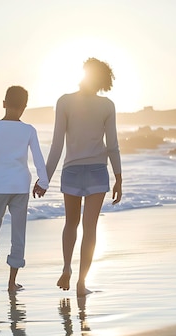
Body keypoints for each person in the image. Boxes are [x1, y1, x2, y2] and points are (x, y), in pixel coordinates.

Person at [35, 57, 122, 297]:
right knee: (90, 228)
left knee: (70, 224)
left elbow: (56, 145)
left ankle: (66, 268)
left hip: (71, 171)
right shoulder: (107, 105)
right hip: (97, 171)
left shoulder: (64, 101)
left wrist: (45, 179)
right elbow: (112, 145)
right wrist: (118, 177)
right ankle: (82, 283)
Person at [0, 86, 49, 292]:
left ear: (4, 103)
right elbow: (38, 158)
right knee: (18, 234)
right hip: (20, 186)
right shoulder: (29, 130)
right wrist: (44, 181)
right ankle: (12, 282)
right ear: (24, 107)